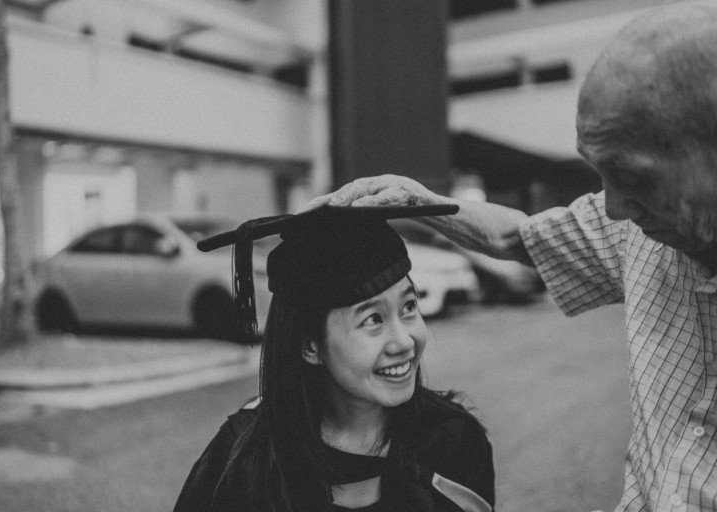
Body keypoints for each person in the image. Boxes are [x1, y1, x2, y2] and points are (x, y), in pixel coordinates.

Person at [303, 4, 717, 511]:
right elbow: (516, 239)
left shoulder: (451, 443)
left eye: (633, 179)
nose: (612, 207)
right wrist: (419, 199)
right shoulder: (639, 235)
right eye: (598, 175)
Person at [173, 205, 495, 512]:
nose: (404, 340)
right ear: (310, 345)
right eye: (373, 319)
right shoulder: (242, 460)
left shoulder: (453, 444)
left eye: (408, 307)